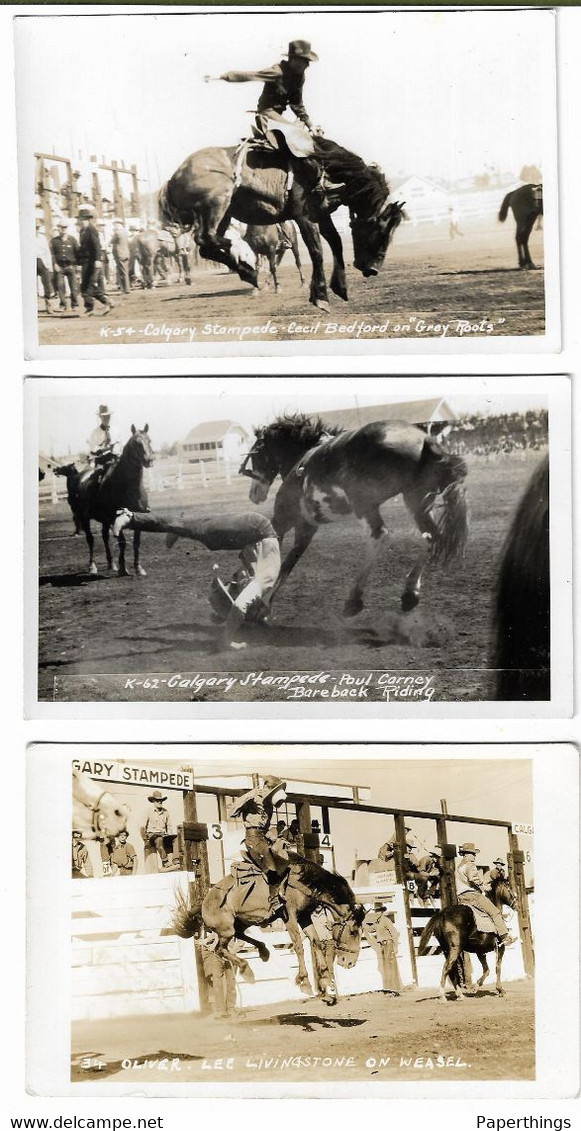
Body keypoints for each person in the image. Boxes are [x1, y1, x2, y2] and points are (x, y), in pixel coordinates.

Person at [112, 507, 281, 650]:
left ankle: (179, 529)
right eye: (236, 586)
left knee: (208, 538)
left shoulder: (261, 585)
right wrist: (227, 639)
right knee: (201, 530)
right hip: (255, 528)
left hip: (252, 534)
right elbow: (239, 606)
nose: (235, 581)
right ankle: (131, 517)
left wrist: (228, 615)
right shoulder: (263, 584)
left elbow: (248, 609)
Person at [206, 40, 340, 208]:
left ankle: (320, 181)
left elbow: (297, 104)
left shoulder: (300, 76)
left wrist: (310, 125)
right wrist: (221, 76)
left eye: (308, 62)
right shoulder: (276, 72)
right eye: (303, 61)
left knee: (312, 137)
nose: (307, 65)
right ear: (293, 59)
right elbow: (250, 75)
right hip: (267, 115)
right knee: (298, 137)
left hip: (279, 116)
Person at [228, 775, 289, 921]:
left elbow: (265, 828)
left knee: (285, 860)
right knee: (271, 864)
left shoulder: (269, 805)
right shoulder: (252, 798)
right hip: (252, 839)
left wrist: (276, 838)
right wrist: (250, 795)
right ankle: (273, 902)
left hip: (263, 838)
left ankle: (280, 894)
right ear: (268, 788)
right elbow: (232, 812)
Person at [455, 844, 516, 945]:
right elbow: (472, 878)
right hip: (473, 895)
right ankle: (505, 937)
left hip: (461, 897)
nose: (474, 856)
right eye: (472, 854)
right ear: (465, 855)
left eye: (474, 854)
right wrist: (483, 885)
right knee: (495, 912)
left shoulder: (459, 867)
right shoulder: (470, 865)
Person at [77, 205, 115, 315]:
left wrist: (98, 259)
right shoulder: (82, 231)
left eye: (85, 219)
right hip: (85, 262)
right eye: (82, 219)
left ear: (89, 219)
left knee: (87, 286)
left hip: (92, 262)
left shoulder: (91, 230)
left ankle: (90, 307)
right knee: (89, 285)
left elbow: (97, 246)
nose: (83, 221)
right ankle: (106, 301)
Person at [362, 906, 403, 994]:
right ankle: (389, 988)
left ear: (382, 912)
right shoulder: (377, 921)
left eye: (379, 911)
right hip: (382, 945)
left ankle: (395, 989)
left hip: (388, 944)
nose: (377, 913)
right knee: (384, 967)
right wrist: (363, 923)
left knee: (390, 966)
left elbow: (394, 933)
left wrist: (395, 946)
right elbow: (371, 929)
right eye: (376, 911)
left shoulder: (386, 920)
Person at [50, 219, 80, 312]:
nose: (63, 229)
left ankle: (75, 304)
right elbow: (52, 254)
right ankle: (63, 304)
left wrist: (78, 266)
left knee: (73, 287)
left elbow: (77, 253)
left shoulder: (72, 240)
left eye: (65, 227)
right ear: (58, 228)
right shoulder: (54, 241)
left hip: (71, 266)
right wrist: (55, 264)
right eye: (61, 227)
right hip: (60, 267)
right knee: (60, 286)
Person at [87, 404, 121, 479]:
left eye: (108, 416)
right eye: (104, 416)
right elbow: (93, 451)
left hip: (116, 460)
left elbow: (120, 447)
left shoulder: (116, 431)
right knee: (95, 482)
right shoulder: (95, 432)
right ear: (100, 417)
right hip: (102, 462)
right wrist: (104, 448)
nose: (106, 418)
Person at [143, 790, 175, 868]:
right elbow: (143, 826)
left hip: (163, 834)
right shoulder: (148, 811)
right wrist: (145, 839)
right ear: (153, 801)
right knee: (159, 839)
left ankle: (175, 859)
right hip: (152, 835)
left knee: (175, 838)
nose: (159, 802)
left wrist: (170, 835)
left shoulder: (165, 812)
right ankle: (165, 861)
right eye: (157, 800)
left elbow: (169, 825)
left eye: (161, 800)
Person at [35, 219, 56, 314]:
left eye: (37, 228)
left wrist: (49, 265)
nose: (35, 230)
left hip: (42, 262)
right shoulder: (25, 237)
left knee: (47, 283)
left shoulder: (42, 238)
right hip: (31, 262)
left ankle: (48, 305)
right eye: (34, 228)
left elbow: (47, 252)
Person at [111, 219, 131, 293]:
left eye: (115, 225)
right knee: (125, 271)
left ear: (117, 224)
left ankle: (125, 289)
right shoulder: (126, 232)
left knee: (122, 272)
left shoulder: (117, 233)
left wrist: (113, 233)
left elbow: (111, 241)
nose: (114, 226)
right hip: (126, 253)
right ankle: (127, 288)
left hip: (119, 254)